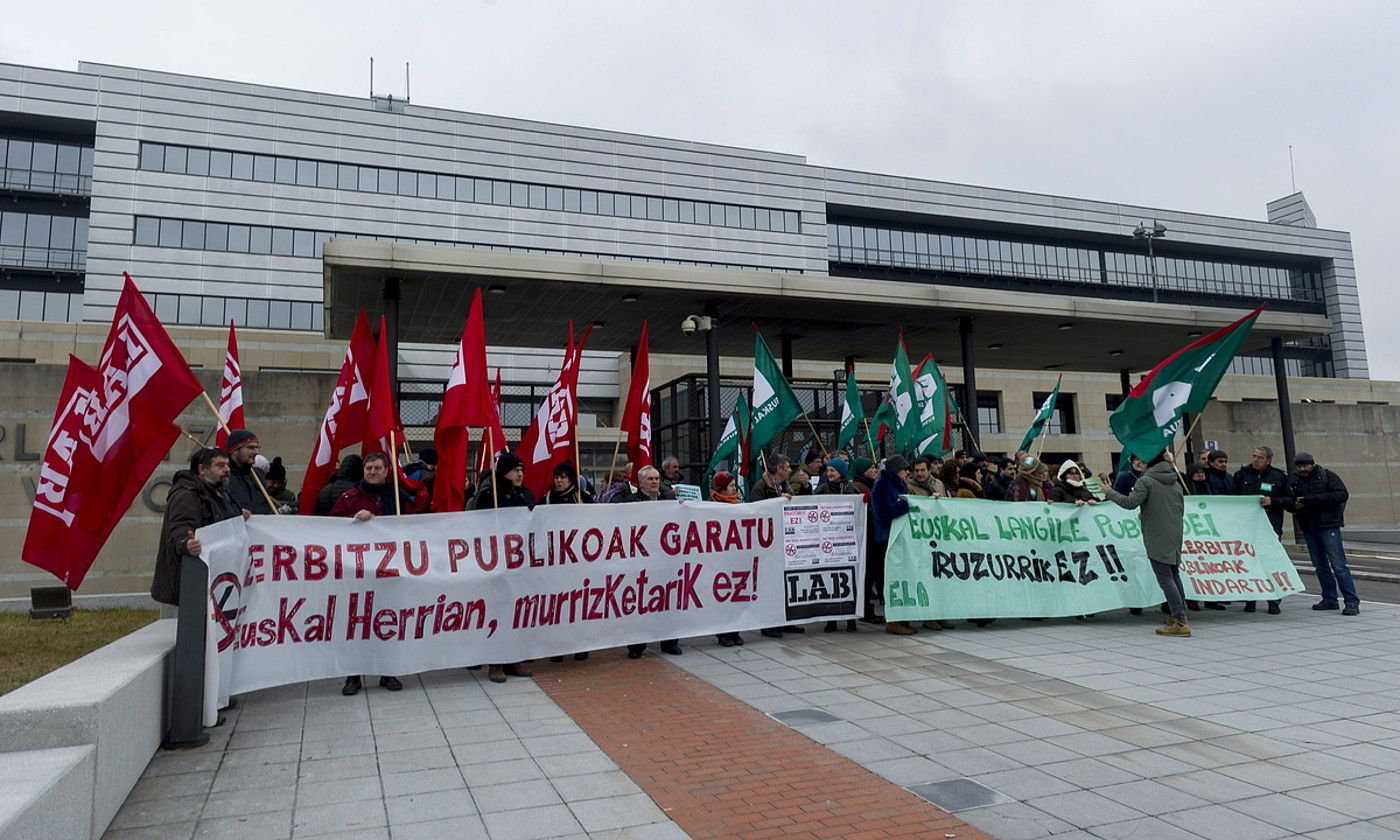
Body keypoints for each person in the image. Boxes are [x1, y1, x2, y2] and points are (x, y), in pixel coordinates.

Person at [329, 452, 409, 693]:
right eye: (368, 468)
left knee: (389, 620)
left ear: (386, 471)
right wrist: (353, 521)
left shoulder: (397, 496)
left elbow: (413, 526)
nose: (372, 472)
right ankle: (353, 676)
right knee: (356, 623)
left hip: (389, 572)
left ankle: (388, 672)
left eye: (377, 468)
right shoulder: (350, 498)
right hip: (358, 573)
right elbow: (330, 527)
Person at [1102, 451, 1192, 637]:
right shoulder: (1174, 482)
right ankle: (1179, 615)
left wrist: (1109, 492)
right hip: (1174, 531)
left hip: (1157, 534)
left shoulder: (1146, 481)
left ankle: (1181, 621)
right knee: (1174, 575)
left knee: (1165, 578)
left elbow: (1129, 503)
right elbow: (1179, 508)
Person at [467, 452, 538, 681]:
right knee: (496, 611)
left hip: (519, 563)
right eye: (515, 470)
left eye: (522, 470)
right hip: (495, 562)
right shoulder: (490, 495)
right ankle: (495, 661)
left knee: (516, 611)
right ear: (503, 472)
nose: (520, 474)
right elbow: (476, 525)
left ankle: (513, 659)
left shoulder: (526, 494)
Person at [152, 447, 247, 606]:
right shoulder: (186, 495)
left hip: (216, 580)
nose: (227, 470)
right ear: (202, 469)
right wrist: (185, 544)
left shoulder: (222, 493)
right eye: (220, 465)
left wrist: (240, 515)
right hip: (191, 585)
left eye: (227, 465)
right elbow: (180, 527)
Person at [621, 466, 683, 657]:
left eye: (656, 478)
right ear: (640, 482)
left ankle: (669, 642)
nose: (655, 482)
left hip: (665, 560)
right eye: (650, 479)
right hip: (641, 561)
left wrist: (683, 509)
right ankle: (637, 645)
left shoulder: (668, 501)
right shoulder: (630, 502)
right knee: (640, 602)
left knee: (668, 600)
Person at [1287, 452, 1359, 615]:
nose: (1302, 469)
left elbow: (1341, 494)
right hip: (1309, 526)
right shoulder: (1294, 480)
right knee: (1320, 566)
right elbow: (1290, 501)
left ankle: (1351, 601)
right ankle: (1329, 598)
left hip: (1328, 526)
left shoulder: (1327, 475)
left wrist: (1310, 500)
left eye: (1305, 465)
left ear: (1312, 464)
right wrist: (1294, 505)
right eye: (1299, 466)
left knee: (1339, 565)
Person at [1233, 445, 1289, 614]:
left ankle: (1273, 600)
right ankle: (1250, 599)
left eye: (1260, 458)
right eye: (1254, 456)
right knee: (1248, 563)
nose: (1255, 460)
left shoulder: (1278, 477)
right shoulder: (1241, 475)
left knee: (1270, 564)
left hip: (1270, 528)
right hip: (1247, 529)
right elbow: (1232, 499)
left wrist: (1273, 501)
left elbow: (1290, 500)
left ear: (1268, 460)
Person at [871, 455, 916, 635]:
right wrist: (904, 506)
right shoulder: (882, 485)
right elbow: (883, 512)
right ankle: (894, 620)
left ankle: (902, 618)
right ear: (897, 470)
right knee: (891, 578)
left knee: (901, 577)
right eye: (905, 469)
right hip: (885, 538)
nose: (907, 472)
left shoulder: (899, 484)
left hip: (898, 537)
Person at [709, 470, 746, 647]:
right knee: (722, 596)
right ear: (722, 489)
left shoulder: (739, 505)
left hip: (736, 556)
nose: (734, 489)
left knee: (736, 594)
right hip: (719, 558)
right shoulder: (710, 506)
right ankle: (723, 633)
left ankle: (735, 631)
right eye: (731, 486)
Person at [224, 429, 273, 515]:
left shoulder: (258, 475)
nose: (256, 452)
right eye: (250, 448)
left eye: (257, 447)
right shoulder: (223, 476)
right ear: (235, 451)